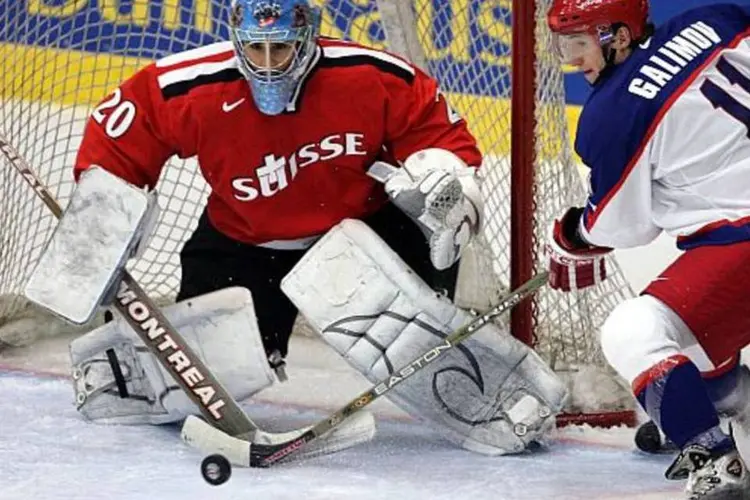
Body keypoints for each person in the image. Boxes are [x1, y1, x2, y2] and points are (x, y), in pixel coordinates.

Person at [53, 0, 567, 458]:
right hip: (246, 241)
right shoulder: (185, 85)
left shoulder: (372, 77)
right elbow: (117, 138)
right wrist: (102, 219)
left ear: (310, 37)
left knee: (411, 329)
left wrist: (445, 184)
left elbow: (443, 137)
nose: (271, 63)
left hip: (361, 235)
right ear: (237, 40)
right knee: (199, 383)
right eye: (258, 49)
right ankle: (123, 369)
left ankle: (495, 389)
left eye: (283, 48)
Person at [544, 0, 750, 497]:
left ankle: (714, 460)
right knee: (688, 333)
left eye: (578, 43)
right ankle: (722, 401)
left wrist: (575, 236)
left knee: (634, 331)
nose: (572, 59)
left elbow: (625, 227)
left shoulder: (611, 114)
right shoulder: (712, 19)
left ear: (617, 36)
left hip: (741, 238)